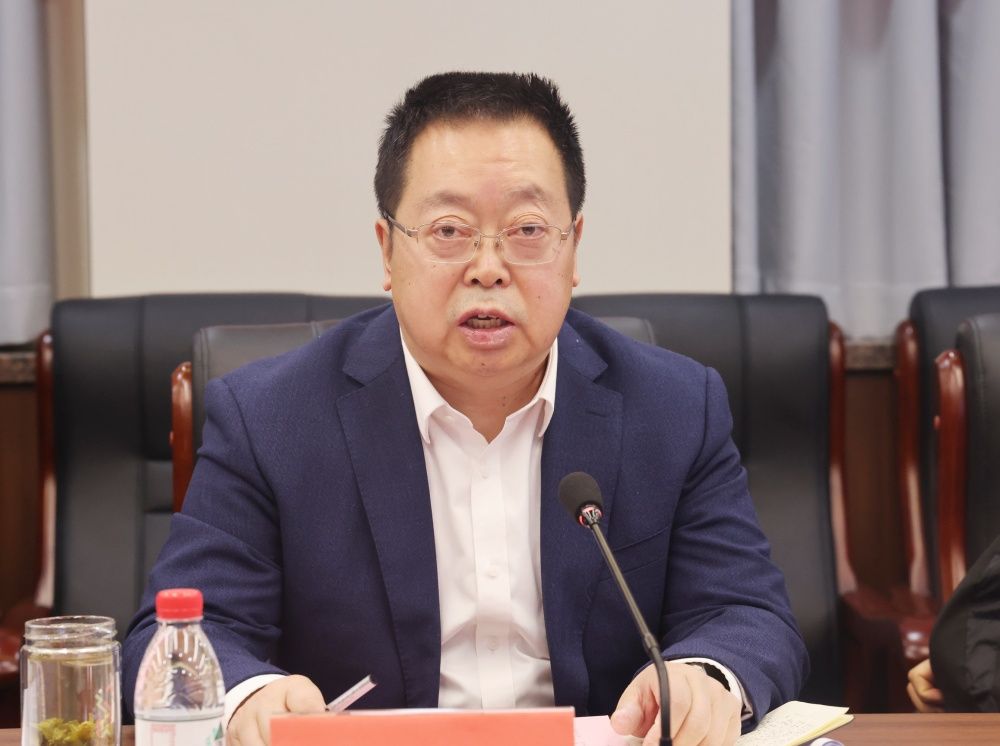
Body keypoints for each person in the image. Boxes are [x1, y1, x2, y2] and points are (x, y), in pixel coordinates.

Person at [123, 72, 807, 746]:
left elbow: (746, 613)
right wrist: (249, 696)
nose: (488, 267)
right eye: (449, 230)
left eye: (527, 229)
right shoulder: (271, 418)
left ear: (573, 248)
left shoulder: (675, 408)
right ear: (387, 250)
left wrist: (705, 678)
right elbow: (177, 634)